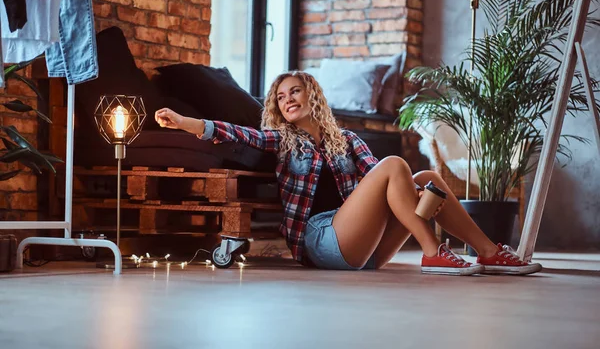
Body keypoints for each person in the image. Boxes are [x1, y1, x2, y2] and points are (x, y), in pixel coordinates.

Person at [155, 71, 542, 276]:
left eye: (294, 91)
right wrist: (185, 122)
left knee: (428, 179)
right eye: (280, 96)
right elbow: (237, 133)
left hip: (365, 246)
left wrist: (417, 194)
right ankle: (432, 253)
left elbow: (385, 184)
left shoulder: (348, 140)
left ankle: (489, 253)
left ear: (312, 96)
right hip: (320, 239)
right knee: (397, 166)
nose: (287, 100)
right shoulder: (282, 139)